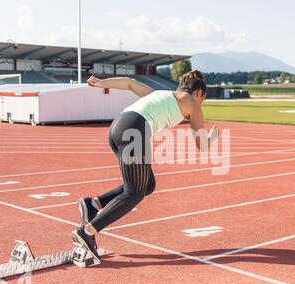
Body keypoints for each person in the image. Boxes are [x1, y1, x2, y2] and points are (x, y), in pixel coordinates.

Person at [71, 70, 219, 261]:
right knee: (134, 192)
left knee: (147, 184)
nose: (201, 104)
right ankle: (87, 232)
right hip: (134, 131)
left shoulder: (158, 94)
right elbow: (201, 145)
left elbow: (130, 83)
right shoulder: (191, 102)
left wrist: (101, 83)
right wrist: (212, 138)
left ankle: (92, 204)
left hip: (118, 127)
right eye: (203, 100)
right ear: (199, 93)